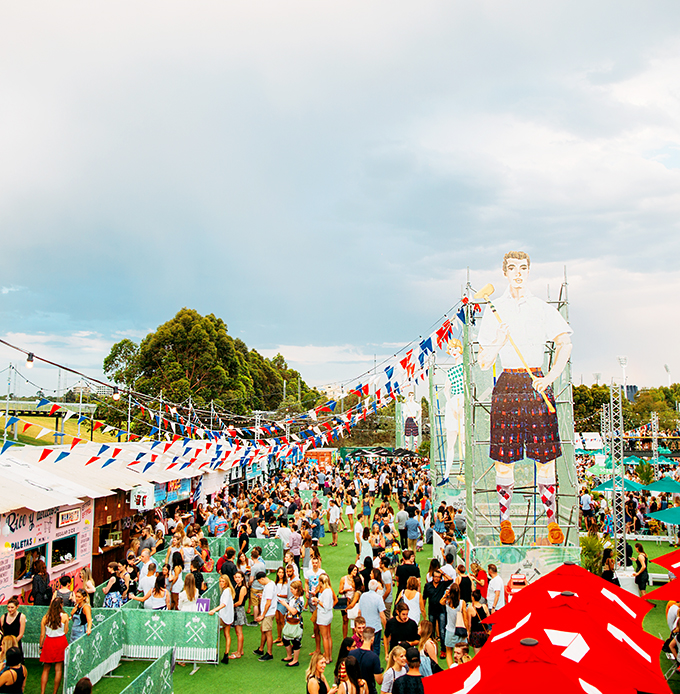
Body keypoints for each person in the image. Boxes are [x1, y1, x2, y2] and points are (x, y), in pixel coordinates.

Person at [477, 251, 572, 545]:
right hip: (507, 382)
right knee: (505, 460)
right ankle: (505, 522)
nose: (518, 273)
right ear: (504, 272)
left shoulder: (541, 308)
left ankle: (552, 523)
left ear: (529, 271)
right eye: (513, 268)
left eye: (523, 268)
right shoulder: (495, 309)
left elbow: (565, 343)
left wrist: (550, 377)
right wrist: (498, 341)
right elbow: (483, 361)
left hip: (537, 381)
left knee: (546, 458)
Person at [39, 597, 69, 694]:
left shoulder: (45, 617)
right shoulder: (65, 616)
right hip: (60, 642)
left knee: (46, 669)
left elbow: (42, 634)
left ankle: (42, 692)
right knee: (58, 669)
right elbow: (66, 631)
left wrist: (41, 646)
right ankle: (55, 692)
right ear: (61, 605)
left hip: (49, 642)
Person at [440, 582, 468, 669]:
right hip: (460, 630)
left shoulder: (448, 602)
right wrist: (467, 630)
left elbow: (440, 602)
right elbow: (465, 618)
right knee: (463, 652)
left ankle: (451, 669)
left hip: (450, 630)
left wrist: (446, 594)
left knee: (449, 652)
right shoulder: (462, 603)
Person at [349, 627, 384, 694]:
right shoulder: (374, 657)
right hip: (369, 690)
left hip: (354, 690)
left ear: (362, 637)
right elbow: (379, 681)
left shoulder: (352, 653)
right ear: (372, 638)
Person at [209, 574, 234, 664]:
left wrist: (214, 610)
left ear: (227, 582)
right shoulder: (229, 591)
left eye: (223, 581)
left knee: (215, 634)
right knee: (226, 634)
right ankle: (225, 654)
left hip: (223, 616)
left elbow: (224, 604)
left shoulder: (227, 591)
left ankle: (214, 655)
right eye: (220, 581)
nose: (221, 583)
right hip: (228, 616)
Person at [358, 580, 387, 658]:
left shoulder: (363, 596)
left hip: (365, 627)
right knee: (376, 648)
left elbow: (359, 612)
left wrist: (359, 625)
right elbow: (382, 615)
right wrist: (386, 627)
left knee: (366, 647)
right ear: (377, 588)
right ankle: (375, 665)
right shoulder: (378, 598)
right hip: (375, 627)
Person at [422, 569, 447, 657]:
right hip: (432, 610)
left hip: (441, 610)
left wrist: (443, 573)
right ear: (432, 577)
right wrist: (423, 610)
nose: (437, 579)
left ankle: (443, 649)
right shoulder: (428, 586)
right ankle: (431, 648)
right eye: (435, 577)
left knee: (442, 631)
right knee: (431, 631)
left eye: (438, 577)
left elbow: (450, 580)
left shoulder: (442, 584)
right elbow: (424, 598)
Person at [254, 571, 277, 661]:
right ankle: (261, 649)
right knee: (263, 630)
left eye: (259, 581)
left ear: (262, 579)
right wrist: (262, 595)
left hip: (268, 613)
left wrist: (262, 615)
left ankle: (269, 653)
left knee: (268, 632)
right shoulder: (270, 584)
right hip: (268, 612)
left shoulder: (269, 587)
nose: (260, 583)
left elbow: (268, 602)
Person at [316, 573, 336, 662]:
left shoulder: (325, 592)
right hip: (328, 615)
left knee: (324, 637)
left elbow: (326, 606)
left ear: (321, 582)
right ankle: (329, 656)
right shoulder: (329, 590)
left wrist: (317, 601)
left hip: (323, 616)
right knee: (328, 636)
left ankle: (327, 657)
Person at [230, 570, 247, 659]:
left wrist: (231, 606)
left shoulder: (243, 588)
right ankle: (240, 650)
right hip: (236, 609)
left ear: (242, 578)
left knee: (239, 632)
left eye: (239, 577)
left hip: (239, 610)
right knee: (238, 632)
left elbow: (240, 602)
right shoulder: (236, 586)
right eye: (236, 577)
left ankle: (239, 653)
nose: (237, 579)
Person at [467, 589, 490, 653]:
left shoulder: (471, 609)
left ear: (473, 598)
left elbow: (469, 624)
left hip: (475, 634)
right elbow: (488, 620)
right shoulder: (484, 606)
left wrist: (468, 632)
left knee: (477, 655)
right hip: (484, 632)